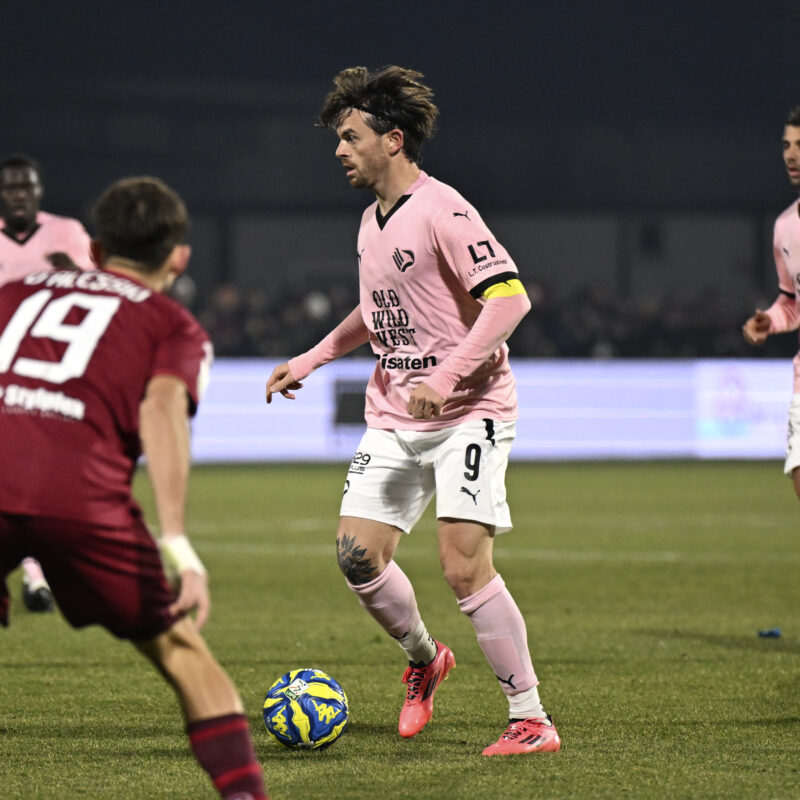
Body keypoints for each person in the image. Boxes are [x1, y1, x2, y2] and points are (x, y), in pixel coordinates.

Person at [266, 66, 561, 756]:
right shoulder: (371, 221)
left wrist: (450, 373)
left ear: (392, 140)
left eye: (350, 136)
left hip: (470, 412)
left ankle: (531, 719)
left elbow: (510, 299)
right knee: (356, 556)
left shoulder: (446, 211)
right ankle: (426, 659)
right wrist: (309, 359)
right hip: (397, 416)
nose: (339, 150)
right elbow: (377, 313)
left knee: (462, 568)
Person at [0, 176, 269, 800]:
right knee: (181, 651)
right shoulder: (173, 327)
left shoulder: (12, 292)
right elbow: (163, 411)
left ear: (95, 249)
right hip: (80, 498)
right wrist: (177, 543)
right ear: (179, 257)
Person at [0, 153, 94, 613]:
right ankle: (37, 575)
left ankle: (37, 574)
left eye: (26, 187)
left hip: (49, 376)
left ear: (38, 192)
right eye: (11, 188)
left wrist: (73, 274)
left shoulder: (68, 233)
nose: (19, 195)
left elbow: (108, 293)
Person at [744, 106, 800, 501]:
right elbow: (791, 302)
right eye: (786, 145)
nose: (791, 155)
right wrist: (771, 320)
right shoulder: (785, 226)